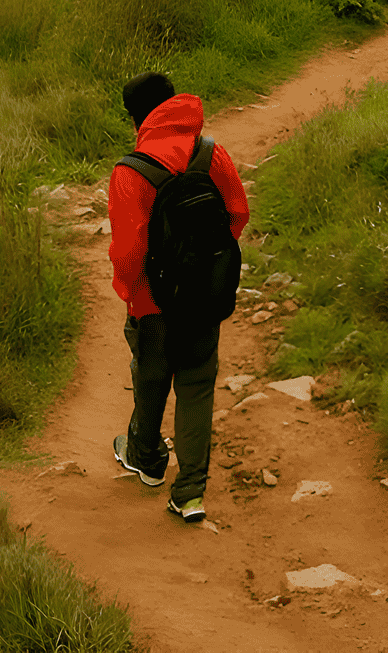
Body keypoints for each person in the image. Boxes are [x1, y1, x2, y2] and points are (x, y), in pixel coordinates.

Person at [108, 71, 249, 523]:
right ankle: (189, 494)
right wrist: (204, 268)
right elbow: (237, 214)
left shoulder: (131, 171)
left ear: (136, 118)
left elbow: (129, 254)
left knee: (150, 374)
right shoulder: (211, 154)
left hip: (153, 301)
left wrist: (133, 295)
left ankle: (145, 458)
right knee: (196, 386)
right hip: (203, 297)